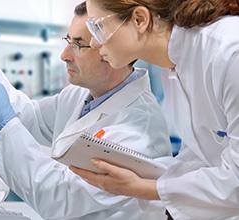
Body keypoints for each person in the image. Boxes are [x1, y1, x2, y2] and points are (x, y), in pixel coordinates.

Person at [0, 2, 172, 219]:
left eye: (78, 44)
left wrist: (4, 120)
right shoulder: (80, 95)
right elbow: (32, 119)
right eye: (68, 41)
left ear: (110, 48)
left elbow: (60, 197)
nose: (64, 55)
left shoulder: (138, 128)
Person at [69, 0, 239, 219]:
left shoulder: (229, 53)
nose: (93, 42)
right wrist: (144, 176)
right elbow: (202, 155)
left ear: (140, 19)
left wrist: (140, 187)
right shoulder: (174, 64)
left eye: (97, 27)